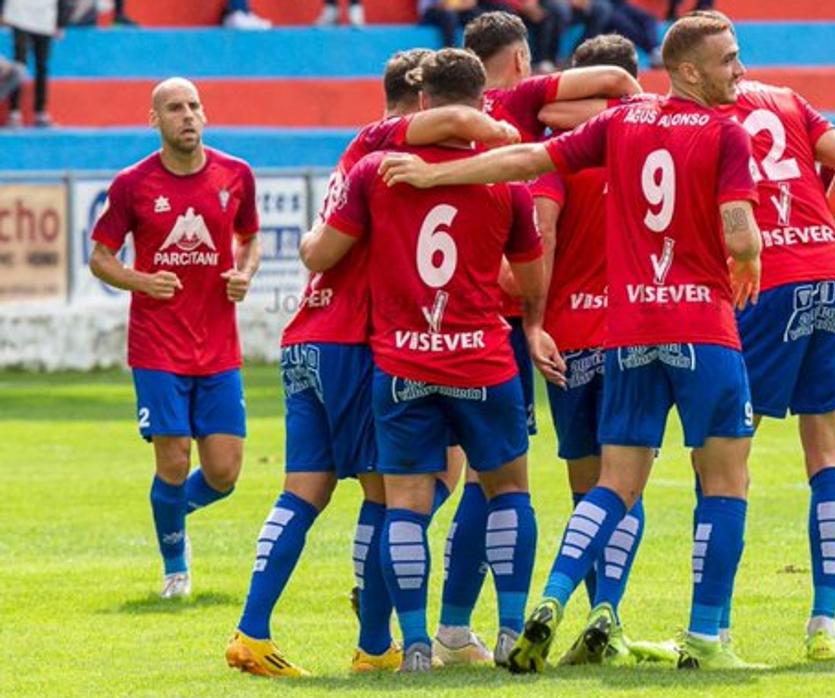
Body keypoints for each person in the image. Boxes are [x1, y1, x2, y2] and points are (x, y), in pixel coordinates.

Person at [380, 13, 765, 672]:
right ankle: (705, 637)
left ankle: (553, 598)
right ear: (690, 71)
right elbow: (739, 233)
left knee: (611, 485)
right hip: (702, 326)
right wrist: (750, 255)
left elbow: (530, 157)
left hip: (630, 331)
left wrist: (435, 176)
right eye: (729, 59)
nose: (740, 70)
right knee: (726, 479)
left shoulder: (620, 125)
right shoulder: (726, 132)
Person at [223, 48, 518, 679]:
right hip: (356, 341)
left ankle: (252, 631)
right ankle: (375, 639)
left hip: (305, 337)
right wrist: (497, 127)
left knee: (306, 491)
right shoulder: (383, 146)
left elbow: (316, 249)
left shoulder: (351, 161)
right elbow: (461, 124)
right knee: (408, 490)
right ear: (418, 101)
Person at [303, 47, 561, 673]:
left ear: (422, 102)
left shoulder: (375, 171)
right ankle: (506, 630)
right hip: (482, 362)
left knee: (407, 504)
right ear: (482, 102)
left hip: (402, 363)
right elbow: (528, 282)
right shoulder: (506, 183)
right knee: (508, 492)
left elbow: (327, 253)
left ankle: (414, 644)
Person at [429, 9, 641, 668]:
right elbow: (611, 83)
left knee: (468, 481)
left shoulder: (432, 118)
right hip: (522, 315)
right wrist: (629, 103)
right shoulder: (523, 107)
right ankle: (528, 622)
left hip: (440, 315)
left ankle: (445, 631)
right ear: (522, 60)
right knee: (583, 479)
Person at [718, 45, 835, 664]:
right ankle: (823, 624)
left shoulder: (710, 115)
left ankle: (714, 626)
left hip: (767, 280)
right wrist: (826, 230)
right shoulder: (789, 100)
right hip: (831, 277)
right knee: (827, 448)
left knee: (727, 451)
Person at [88, 77, 261, 600]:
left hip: (218, 348)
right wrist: (142, 280)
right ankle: (175, 569)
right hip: (157, 345)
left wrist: (245, 274)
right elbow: (100, 256)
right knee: (174, 459)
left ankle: (168, 511)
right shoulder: (132, 184)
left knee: (225, 472)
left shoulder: (236, 174)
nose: (187, 115)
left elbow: (249, 239)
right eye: (175, 108)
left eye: (194, 106)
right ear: (155, 120)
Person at [530, 33, 650, 667]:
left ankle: (592, 611)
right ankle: (608, 611)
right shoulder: (657, 137)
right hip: (637, 333)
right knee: (624, 489)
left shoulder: (561, 156)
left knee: (589, 492)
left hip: (569, 337)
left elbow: (543, 231)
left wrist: (535, 322)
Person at [4, 0, 70, 127]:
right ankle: (14, 113)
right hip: (19, 13)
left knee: (42, 66)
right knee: (19, 64)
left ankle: (40, 112)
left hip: (45, 17)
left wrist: (61, 22)